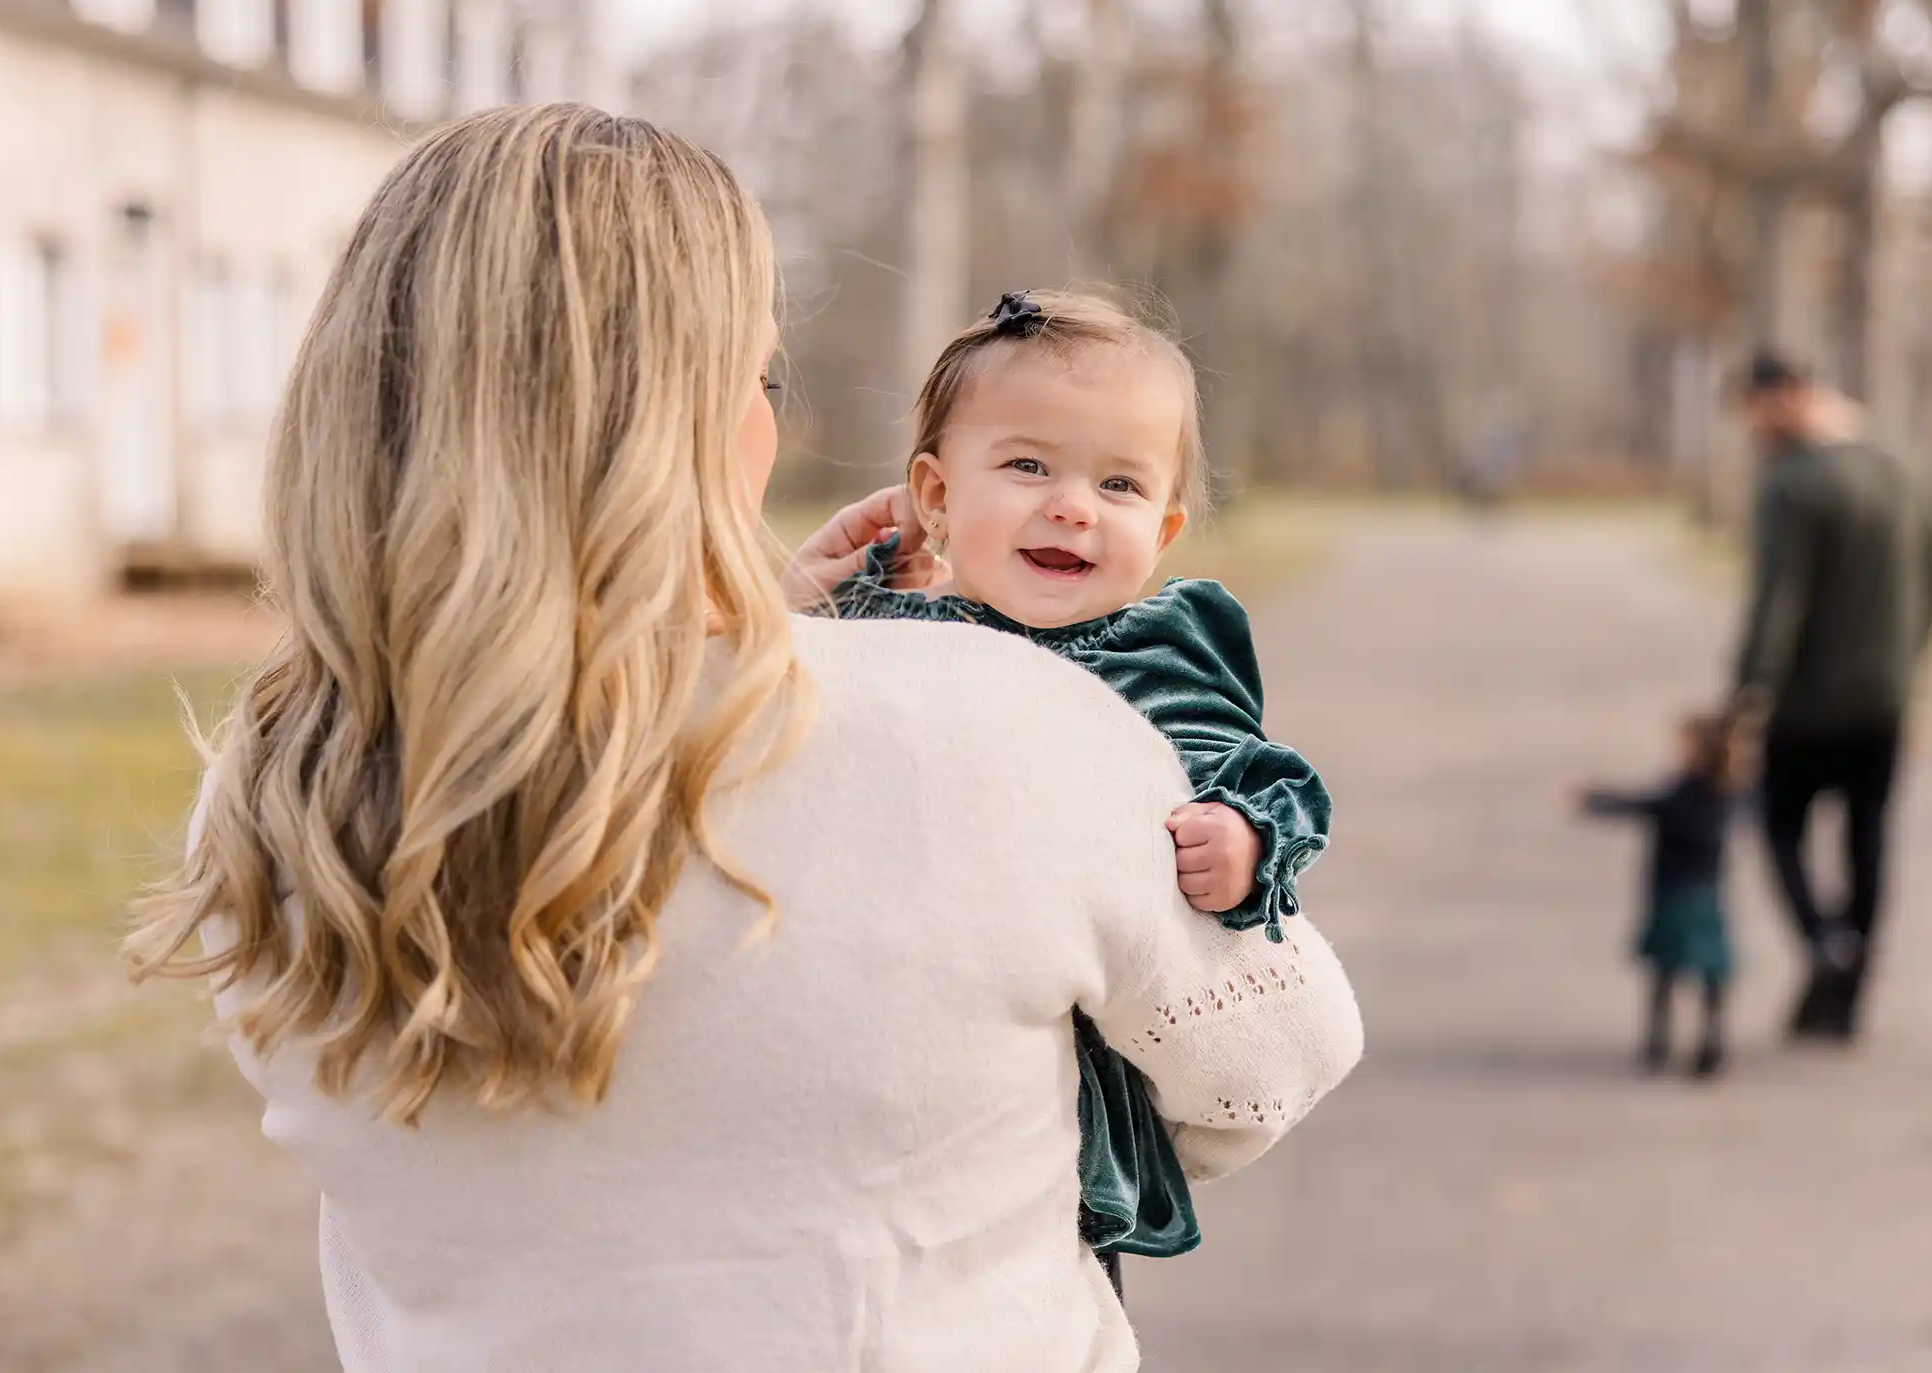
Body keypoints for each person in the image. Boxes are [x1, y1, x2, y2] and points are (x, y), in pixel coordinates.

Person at [124, 106, 1362, 1372]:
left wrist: (750, 616)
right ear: (687, 415)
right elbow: (1266, 1067)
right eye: (759, 380)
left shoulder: (281, 793)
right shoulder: (1008, 723)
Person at [799, 288, 1332, 1294]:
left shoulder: (1154, 653)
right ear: (937, 491)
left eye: (1120, 484)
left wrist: (1245, 836)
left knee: (1049, 1288)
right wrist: (804, 600)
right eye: (1028, 465)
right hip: (890, 1044)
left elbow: (1255, 768)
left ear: (1166, 527)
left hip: (1061, 1103)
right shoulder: (879, 630)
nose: (1073, 504)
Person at [1729, 352, 1932, 1043]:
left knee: (1778, 825)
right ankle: (1845, 998)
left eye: (1757, 416)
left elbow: (1776, 602)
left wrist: (1748, 692)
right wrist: (1910, 666)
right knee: (1868, 837)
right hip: (1887, 694)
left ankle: (1826, 940)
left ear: (1790, 395)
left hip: (1807, 700)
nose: (1755, 433)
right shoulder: (1902, 464)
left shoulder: (1794, 482)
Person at [1569, 711, 1754, 1080]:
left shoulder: (1684, 795)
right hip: (1707, 894)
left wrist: (1592, 801)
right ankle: (1709, 1041)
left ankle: (1661, 1041)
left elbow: (1640, 804)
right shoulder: (1732, 796)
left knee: (1665, 970)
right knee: (1710, 974)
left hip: (1675, 893)